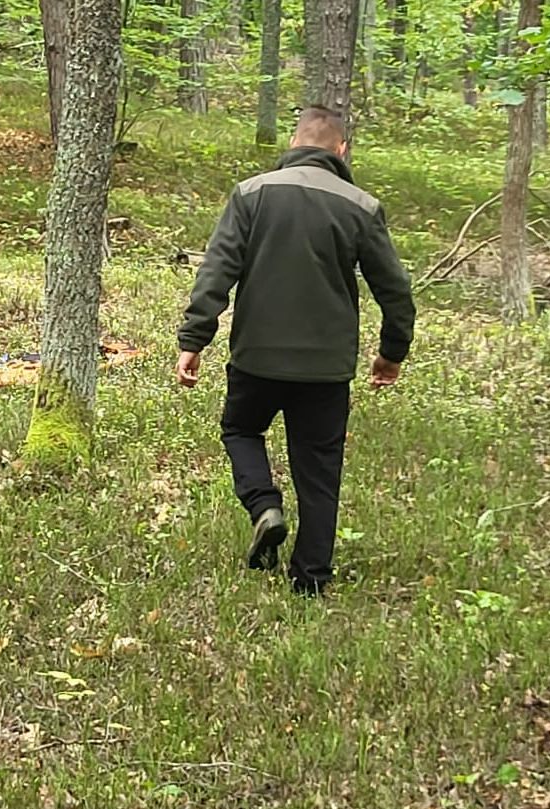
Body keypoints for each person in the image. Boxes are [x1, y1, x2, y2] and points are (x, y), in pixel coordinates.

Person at [175, 106, 416, 596]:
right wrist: (391, 353)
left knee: (241, 428)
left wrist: (194, 339)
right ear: (341, 148)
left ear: (293, 141)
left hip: (256, 357)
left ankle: (264, 505)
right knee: (319, 469)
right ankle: (310, 580)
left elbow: (216, 273)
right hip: (325, 369)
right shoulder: (361, 206)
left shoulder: (250, 194)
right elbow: (395, 291)